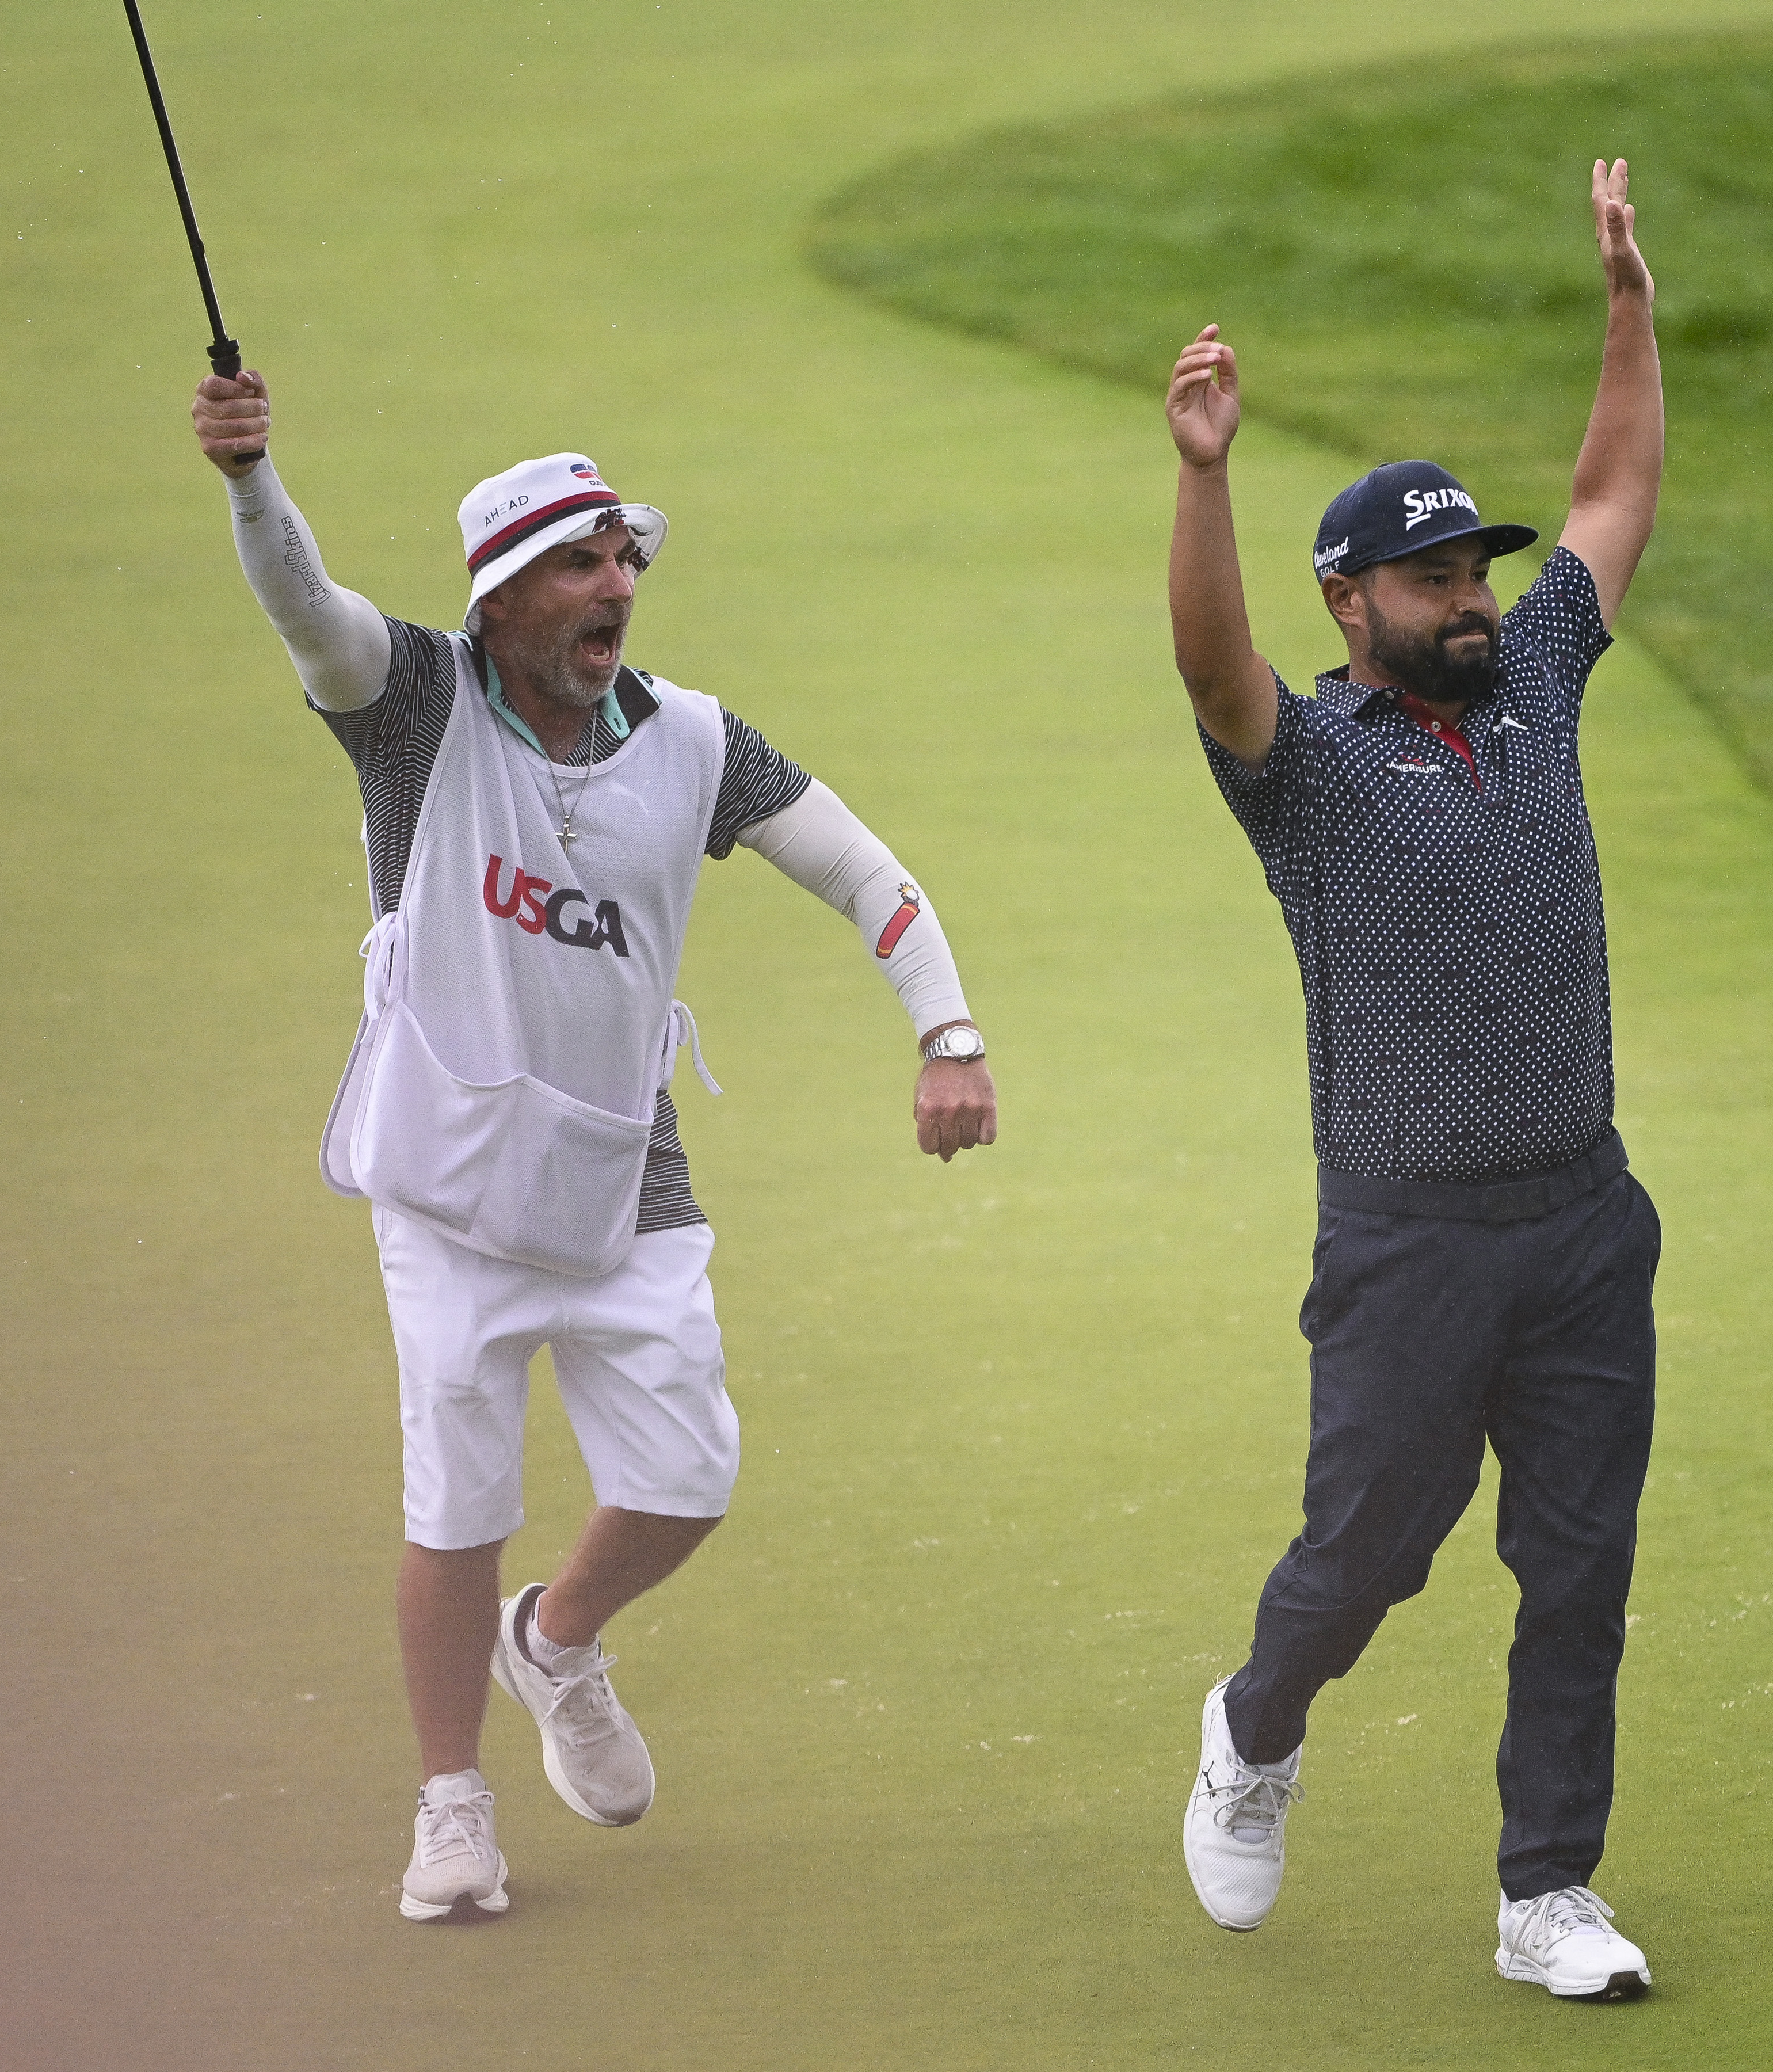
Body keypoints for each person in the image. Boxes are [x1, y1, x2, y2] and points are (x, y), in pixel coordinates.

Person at [188, 371, 998, 1922]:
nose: (616, 582)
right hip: (447, 1184)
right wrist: (250, 478)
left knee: (691, 1481)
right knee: (456, 1510)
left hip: (628, 1170)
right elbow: (305, 604)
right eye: (579, 563)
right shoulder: (414, 708)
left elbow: (868, 876)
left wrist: (947, 1034)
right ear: (499, 599)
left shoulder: (694, 740)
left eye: (625, 556)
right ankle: (451, 1804)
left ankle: (552, 1641)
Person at [1160, 158, 1667, 2001]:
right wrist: (1204, 477)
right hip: (1411, 1241)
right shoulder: (1307, 764)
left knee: (1580, 1566)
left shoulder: (1537, 685)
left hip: (1584, 1219)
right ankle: (1256, 1724)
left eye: (1476, 573)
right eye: (1433, 578)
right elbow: (1209, 664)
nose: (1471, 599)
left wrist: (1628, 307)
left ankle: (1550, 1892)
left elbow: (1611, 494)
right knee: (1370, 1550)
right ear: (1349, 599)